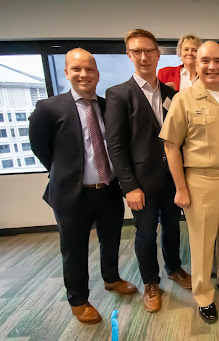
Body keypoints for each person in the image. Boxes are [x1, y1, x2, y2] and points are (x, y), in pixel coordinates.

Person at [28, 48, 136, 324]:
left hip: (108, 189)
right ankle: (78, 299)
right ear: (66, 72)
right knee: (73, 248)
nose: (84, 74)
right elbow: (41, 149)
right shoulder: (48, 109)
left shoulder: (106, 105)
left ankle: (111, 278)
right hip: (71, 194)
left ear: (97, 74)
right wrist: (65, 173)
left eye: (89, 69)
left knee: (111, 240)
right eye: (77, 69)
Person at [160, 41, 219, 324]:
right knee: (201, 243)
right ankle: (203, 295)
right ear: (196, 65)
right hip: (201, 181)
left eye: (218, 61)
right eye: (205, 61)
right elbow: (171, 147)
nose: (212, 67)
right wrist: (181, 189)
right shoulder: (183, 100)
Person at [104, 29, 191, 313]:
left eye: (148, 51)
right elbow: (115, 146)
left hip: (171, 180)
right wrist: (129, 187)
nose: (143, 57)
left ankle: (174, 268)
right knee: (144, 234)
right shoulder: (118, 95)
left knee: (172, 229)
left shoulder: (171, 93)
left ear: (157, 54)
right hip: (141, 184)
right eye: (136, 51)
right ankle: (151, 283)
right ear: (129, 55)